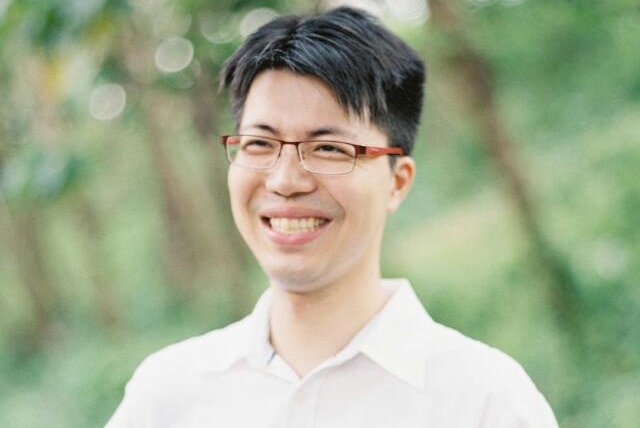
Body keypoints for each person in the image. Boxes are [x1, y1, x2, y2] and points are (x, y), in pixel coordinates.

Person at [107, 6, 558, 427]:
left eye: (328, 148)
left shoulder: (484, 401)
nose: (285, 180)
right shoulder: (168, 396)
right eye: (260, 144)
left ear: (397, 181)